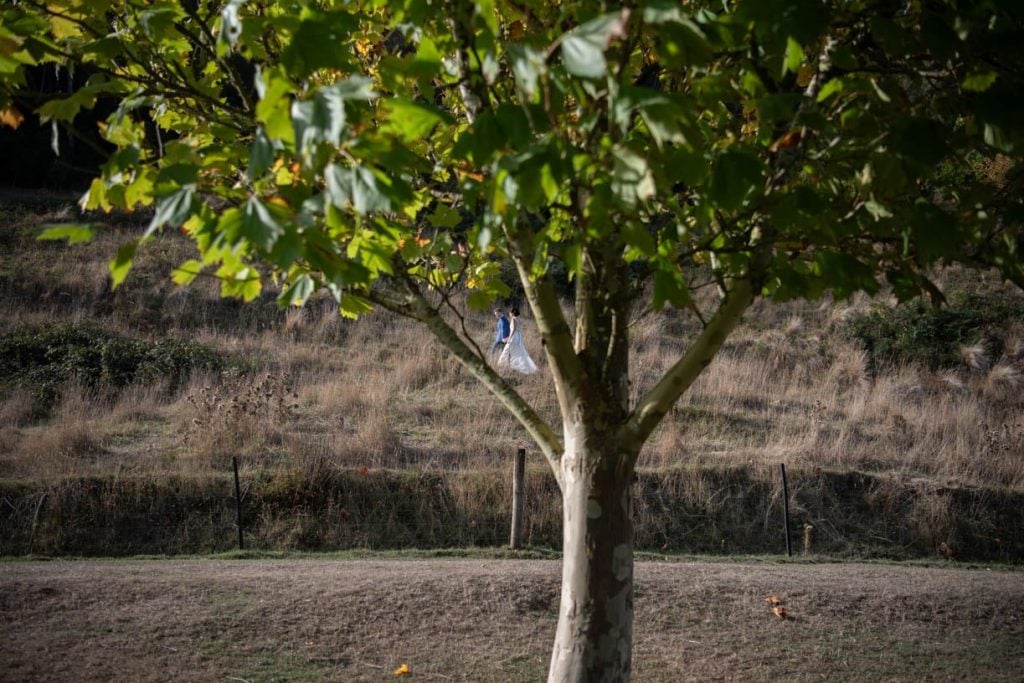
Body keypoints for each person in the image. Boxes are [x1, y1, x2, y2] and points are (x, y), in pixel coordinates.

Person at [498, 307, 538, 374]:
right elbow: (519, 329)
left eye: (510, 312)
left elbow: (513, 329)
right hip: (518, 337)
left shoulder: (513, 319)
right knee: (518, 351)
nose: (509, 314)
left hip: (514, 337)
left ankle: (502, 364)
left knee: (507, 349)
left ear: (513, 313)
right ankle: (522, 366)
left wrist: (509, 338)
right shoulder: (519, 319)